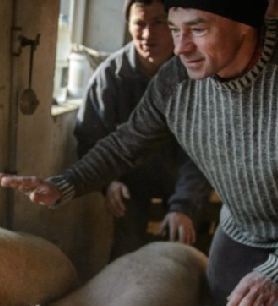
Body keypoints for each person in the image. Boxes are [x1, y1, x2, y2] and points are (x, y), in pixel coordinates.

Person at [0, 0, 278, 306]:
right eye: (175, 30)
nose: (180, 48)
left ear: (244, 24)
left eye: (198, 29)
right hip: (240, 223)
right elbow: (126, 144)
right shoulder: (175, 81)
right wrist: (65, 184)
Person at [75, 0, 210, 259]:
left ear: (174, 25)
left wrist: (183, 206)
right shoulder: (109, 77)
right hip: (131, 184)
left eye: (158, 23)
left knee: (183, 256)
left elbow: (201, 151)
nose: (148, 35)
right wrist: (108, 182)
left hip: (181, 181)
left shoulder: (195, 74)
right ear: (129, 25)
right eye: (140, 24)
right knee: (127, 254)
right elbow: (89, 138)